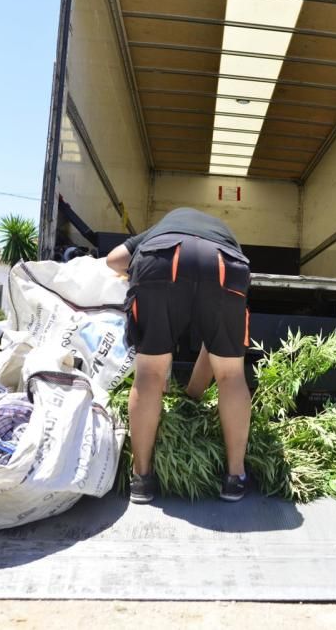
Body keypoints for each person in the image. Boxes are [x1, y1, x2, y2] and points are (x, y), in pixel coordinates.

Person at [106, 207, 252, 503]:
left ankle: (142, 479)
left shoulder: (164, 227)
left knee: (150, 372)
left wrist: (134, 275)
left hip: (162, 260)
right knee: (231, 374)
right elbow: (213, 348)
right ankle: (235, 477)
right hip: (226, 264)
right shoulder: (223, 233)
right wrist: (192, 396)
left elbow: (113, 260)